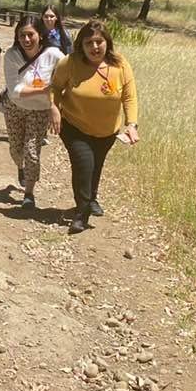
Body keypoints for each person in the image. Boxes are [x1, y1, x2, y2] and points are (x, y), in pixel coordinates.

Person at [50, 19, 139, 234]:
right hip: (74, 126)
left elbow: (129, 97)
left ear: (107, 43)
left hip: (107, 130)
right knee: (84, 165)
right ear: (81, 45)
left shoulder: (120, 64)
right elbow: (54, 87)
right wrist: (53, 108)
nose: (94, 47)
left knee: (96, 166)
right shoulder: (69, 63)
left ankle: (92, 198)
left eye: (99, 41)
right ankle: (81, 214)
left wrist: (132, 124)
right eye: (89, 43)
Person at [2, 15, 65, 210]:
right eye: (22, 36)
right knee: (16, 149)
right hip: (15, 107)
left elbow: (68, 78)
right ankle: (20, 168)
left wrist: (55, 105)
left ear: (41, 35)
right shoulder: (12, 56)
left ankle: (29, 193)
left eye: (30, 35)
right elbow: (15, 90)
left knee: (32, 151)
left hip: (39, 111)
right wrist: (45, 91)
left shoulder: (54, 55)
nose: (26, 40)